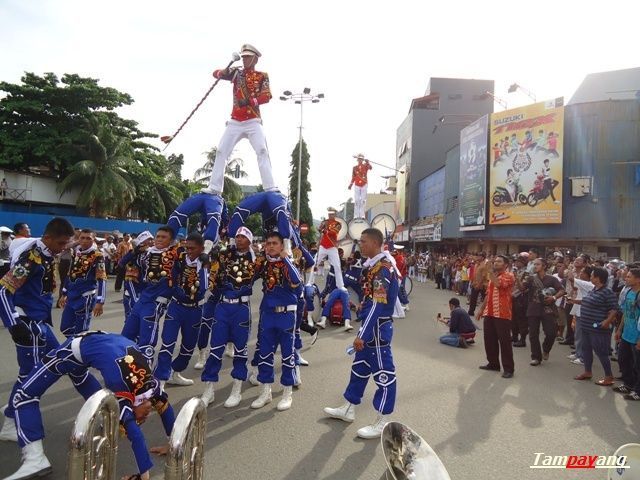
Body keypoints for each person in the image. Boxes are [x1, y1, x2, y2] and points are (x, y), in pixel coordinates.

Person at [3, 332, 174, 480]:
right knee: (23, 396)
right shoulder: (122, 391)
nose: (143, 418)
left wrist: (173, 445)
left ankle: (101, 422)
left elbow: (164, 407)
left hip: (95, 343)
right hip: (70, 351)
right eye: (142, 417)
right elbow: (135, 436)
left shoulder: (151, 386)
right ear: (132, 406)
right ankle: (35, 458)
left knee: (79, 375)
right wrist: (144, 477)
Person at [0, 218, 76, 448]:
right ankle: (10, 423)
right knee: (30, 375)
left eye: (66, 243)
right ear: (48, 238)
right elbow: (3, 291)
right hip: (28, 325)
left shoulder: (45, 253)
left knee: (59, 360)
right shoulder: (31, 258)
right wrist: (14, 325)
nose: (63, 247)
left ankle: (13, 406)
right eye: (61, 243)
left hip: (41, 322)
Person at [324, 228, 399, 439]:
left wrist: (361, 335)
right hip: (371, 326)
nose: (361, 245)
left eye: (364, 242)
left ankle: (383, 421)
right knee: (359, 369)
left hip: (377, 330)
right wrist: (361, 307)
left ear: (375, 243)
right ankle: (349, 407)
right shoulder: (374, 266)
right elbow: (372, 302)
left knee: (384, 375)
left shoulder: (383, 269)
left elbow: (378, 305)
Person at [201, 44, 277, 195]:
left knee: (262, 150)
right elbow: (216, 74)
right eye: (243, 57)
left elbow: (267, 96)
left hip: (253, 121)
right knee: (222, 151)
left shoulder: (262, 76)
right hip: (235, 120)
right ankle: (215, 187)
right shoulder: (236, 73)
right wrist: (221, 72)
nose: (244, 59)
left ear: (255, 59)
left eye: (248, 57)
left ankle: (270, 187)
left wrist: (249, 101)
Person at [201, 227, 259, 408]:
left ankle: (237, 388)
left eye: (244, 236)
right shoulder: (225, 255)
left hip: (242, 307)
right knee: (215, 349)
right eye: (238, 236)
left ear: (250, 240)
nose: (239, 239)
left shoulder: (256, 259)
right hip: (223, 306)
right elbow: (211, 268)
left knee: (241, 350)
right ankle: (209, 389)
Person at [250, 231, 303, 411]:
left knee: (288, 355)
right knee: (265, 354)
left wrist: (286, 258)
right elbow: (248, 276)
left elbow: (297, 280)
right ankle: (266, 392)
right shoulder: (263, 263)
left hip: (287, 315)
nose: (270, 246)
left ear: (282, 245)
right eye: (268, 243)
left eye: (274, 243)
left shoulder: (290, 263)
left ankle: (287, 392)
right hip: (268, 314)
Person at [155, 232, 208, 388]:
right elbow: (170, 277)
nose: (189, 251)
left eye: (193, 248)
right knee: (167, 343)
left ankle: (174, 372)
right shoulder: (179, 258)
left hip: (195, 310)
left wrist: (204, 266)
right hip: (176, 307)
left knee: (188, 348)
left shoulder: (207, 262)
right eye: (187, 248)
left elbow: (204, 288)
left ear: (202, 248)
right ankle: (160, 380)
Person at [121, 226, 179, 362]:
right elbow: (122, 263)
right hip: (141, 301)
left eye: (163, 237)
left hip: (156, 303)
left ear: (171, 241)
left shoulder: (175, 256)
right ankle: (126, 371)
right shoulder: (146, 254)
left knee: (146, 342)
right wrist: (135, 251)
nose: (159, 239)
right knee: (125, 337)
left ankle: (145, 377)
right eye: (157, 236)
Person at [573, 267, 619, 386]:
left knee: (601, 352)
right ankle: (587, 372)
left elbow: (615, 308)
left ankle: (609, 376)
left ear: (598, 278)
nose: (591, 277)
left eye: (592, 276)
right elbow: (587, 301)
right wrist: (574, 301)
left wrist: (607, 321)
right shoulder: (594, 289)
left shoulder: (607, 292)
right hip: (586, 326)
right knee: (586, 349)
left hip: (597, 328)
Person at [58, 229, 107, 337]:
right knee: (65, 328)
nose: (84, 241)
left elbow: (102, 278)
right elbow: (70, 273)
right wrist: (64, 293)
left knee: (81, 332)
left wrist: (100, 301)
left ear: (93, 240)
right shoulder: (76, 251)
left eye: (88, 238)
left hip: (85, 297)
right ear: (78, 239)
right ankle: (76, 347)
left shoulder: (97, 255)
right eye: (82, 238)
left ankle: (79, 350)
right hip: (71, 296)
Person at [477, 255, 516, 378]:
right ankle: (493, 364)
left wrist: (489, 272)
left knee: (504, 342)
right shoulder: (492, 277)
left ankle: (509, 369)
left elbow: (499, 285)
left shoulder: (509, 276)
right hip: (490, 312)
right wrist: (481, 309)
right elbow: (488, 294)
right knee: (489, 340)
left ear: (506, 265)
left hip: (503, 314)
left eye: (499, 261)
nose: (496, 263)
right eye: (495, 261)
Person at [523, 258, 565, 366]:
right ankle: (536, 357)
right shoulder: (531, 278)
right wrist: (519, 279)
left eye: (537, 264)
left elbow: (562, 290)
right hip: (533, 308)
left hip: (548, 309)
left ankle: (546, 349)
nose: (535, 266)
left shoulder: (551, 279)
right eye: (534, 264)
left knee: (551, 333)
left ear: (544, 266)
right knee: (533, 334)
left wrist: (554, 297)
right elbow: (522, 289)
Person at [613, 268, 640, 396]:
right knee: (623, 360)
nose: (626, 278)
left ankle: (638, 391)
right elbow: (625, 313)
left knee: (637, 365)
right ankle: (629, 385)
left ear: (638, 279)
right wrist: (619, 329)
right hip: (626, 334)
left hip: (637, 336)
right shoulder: (629, 291)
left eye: (629, 277)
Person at [308, 208, 345, 290]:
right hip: (323, 246)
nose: (330, 215)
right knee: (315, 263)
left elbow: (334, 232)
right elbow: (320, 229)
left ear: (335, 214)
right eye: (329, 213)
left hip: (332, 247)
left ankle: (340, 285)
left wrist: (326, 231)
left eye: (332, 213)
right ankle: (310, 282)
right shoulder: (324, 222)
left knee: (337, 265)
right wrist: (320, 228)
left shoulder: (338, 224)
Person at [511, 255, 530, 347]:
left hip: (521, 297)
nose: (516, 263)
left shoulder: (526, 273)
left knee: (522, 319)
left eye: (518, 261)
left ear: (523, 263)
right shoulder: (515, 271)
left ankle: (522, 339)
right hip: (513, 297)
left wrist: (516, 277)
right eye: (515, 261)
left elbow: (522, 287)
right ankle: (514, 336)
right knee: (513, 318)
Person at [348, 154, 372, 219]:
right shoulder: (354, 168)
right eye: (359, 159)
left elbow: (370, 168)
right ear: (357, 160)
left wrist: (367, 162)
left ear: (363, 159)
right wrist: (351, 184)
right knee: (357, 200)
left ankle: (362, 215)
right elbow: (353, 177)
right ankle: (356, 215)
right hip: (357, 185)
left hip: (364, 184)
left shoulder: (365, 166)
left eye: (361, 159)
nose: (360, 160)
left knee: (363, 200)